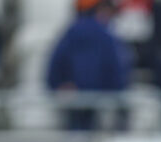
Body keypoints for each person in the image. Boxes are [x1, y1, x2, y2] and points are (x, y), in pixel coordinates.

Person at [47, 0, 132, 131]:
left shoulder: (71, 32)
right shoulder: (106, 36)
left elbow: (55, 65)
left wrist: (58, 84)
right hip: (97, 102)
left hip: (74, 100)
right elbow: (118, 72)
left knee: (75, 136)